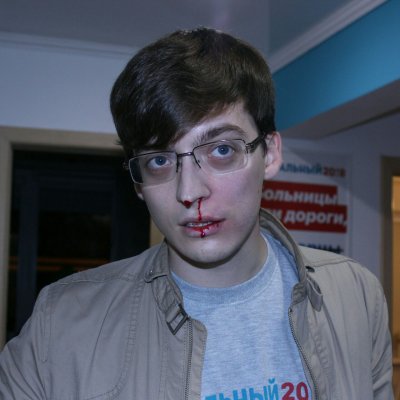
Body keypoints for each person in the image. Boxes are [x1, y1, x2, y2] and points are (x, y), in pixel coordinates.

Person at [0, 27, 394, 400]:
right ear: (138, 184)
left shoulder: (355, 295)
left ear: (271, 154)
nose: (189, 192)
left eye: (222, 150)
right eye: (159, 160)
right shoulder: (61, 324)